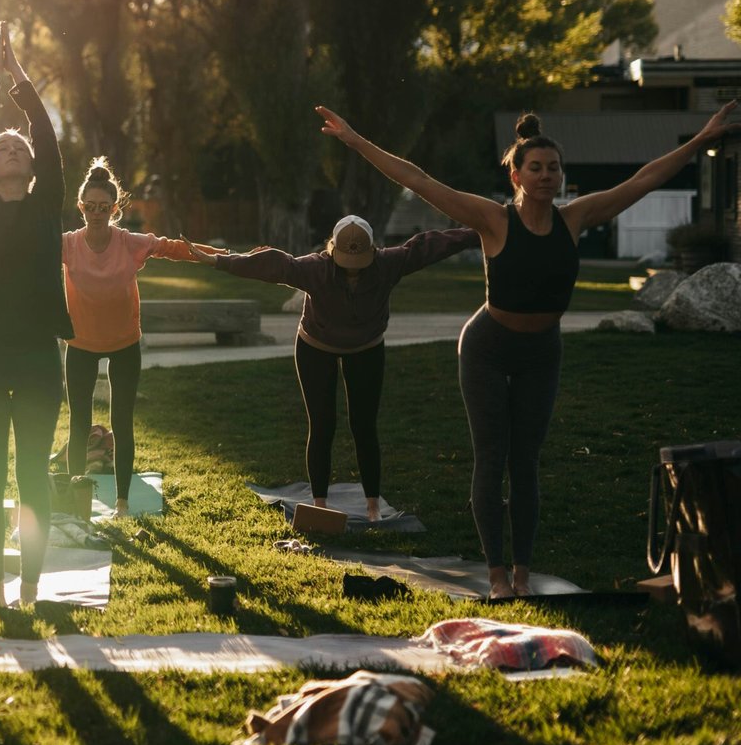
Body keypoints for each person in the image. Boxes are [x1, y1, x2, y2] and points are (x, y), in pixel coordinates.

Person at [317, 100, 738, 596]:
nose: (546, 176)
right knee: (492, 458)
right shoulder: (493, 220)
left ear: (561, 175)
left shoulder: (575, 218)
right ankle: (496, 576)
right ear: (516, 174)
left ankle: (522, 573)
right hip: (488, 348)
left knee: (526, 463)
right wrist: (354, 139)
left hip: (542, 351)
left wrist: (701, 139)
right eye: (535, 168)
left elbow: (642, 181)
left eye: (553, 168)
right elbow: (421, 180)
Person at [191, 215, 480, 521]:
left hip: (367, 348)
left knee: (364, 426)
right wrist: (220, 261)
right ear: (332, 251)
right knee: (322, 424)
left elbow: (430, 246)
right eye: (346, 262)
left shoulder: (389, 264)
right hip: (316, 347)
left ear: (372, 251)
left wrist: (481, 229)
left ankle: (372, 507)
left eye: (359, 261)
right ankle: (320, 505)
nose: (353, 268)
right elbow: (275, 265)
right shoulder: (315, 268)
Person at [0, 22, 73, 608]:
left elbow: (47, 139)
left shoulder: (47, 205)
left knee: (32, 475)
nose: (10, 147)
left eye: (18, 148)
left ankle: (30, 589)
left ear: (30, 169)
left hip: (34, 358)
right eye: (1, 147)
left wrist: (20, 81)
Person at [55, 159, 199, 517]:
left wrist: (221, 258)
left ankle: (121, 502)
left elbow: (172, 248)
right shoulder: (68, 244)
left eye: (104, 207)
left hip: (124, 343)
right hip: (80, 343)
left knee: (121, 421)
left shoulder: (129, 242)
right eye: (90, 207)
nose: (97, 213)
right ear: (81, 206)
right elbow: (24, 255)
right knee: (79, 423)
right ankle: (77, 502)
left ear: (115, 209)